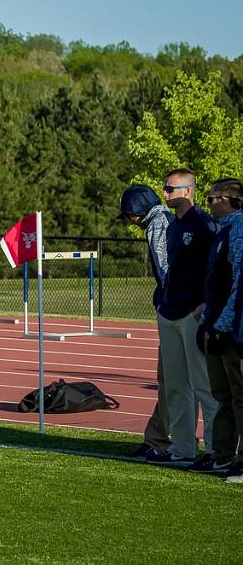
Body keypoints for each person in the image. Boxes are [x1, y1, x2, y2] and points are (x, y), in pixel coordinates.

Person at [152, 168, 218, 464]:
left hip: (192, 315)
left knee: (204, 387)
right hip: (169, 313)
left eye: (170, 189)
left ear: (188, 191)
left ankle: (217, 449)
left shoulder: (205, 225)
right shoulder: (171, 227)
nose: (165, 194)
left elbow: (216, 270)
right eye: (165, 188)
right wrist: (163, 303)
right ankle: (182, 450)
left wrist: (205, 303)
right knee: (177, 387)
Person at [117, 184, 174, 460]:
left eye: (129, 215)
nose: (130, 222)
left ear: (136, 211)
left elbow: (166, 269)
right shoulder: (168, 219)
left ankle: (160, 440)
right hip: (183, 308)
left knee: (173, 380)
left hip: (177, 312)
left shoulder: (157, 224)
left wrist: (166, 299)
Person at [193, 178, 243, 482]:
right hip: (218, 323)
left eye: (211, 198)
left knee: (240, 397)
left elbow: (239, 284)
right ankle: (222, 454)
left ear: (227, 200)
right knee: (222, 396)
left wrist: (223, 325)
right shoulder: (221, 231)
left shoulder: (238, 230)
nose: (207, 203)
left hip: (232, 329)